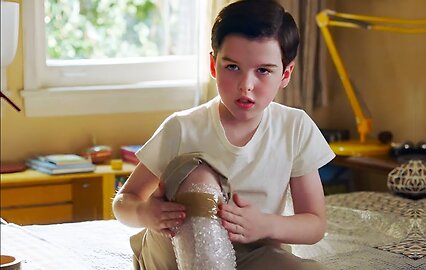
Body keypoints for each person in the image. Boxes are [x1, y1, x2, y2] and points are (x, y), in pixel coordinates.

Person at [112, 0, 335, 269]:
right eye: (232, 67)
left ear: (286, 74)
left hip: (256, 251)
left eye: (263, 70)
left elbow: (314, 223)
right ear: (213, 65)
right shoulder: (182, 127)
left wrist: (266, 224)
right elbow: (124, 201)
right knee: (196, 171)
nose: (246, 86)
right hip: (177, 254)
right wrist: (143, 212)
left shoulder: (295, 126)